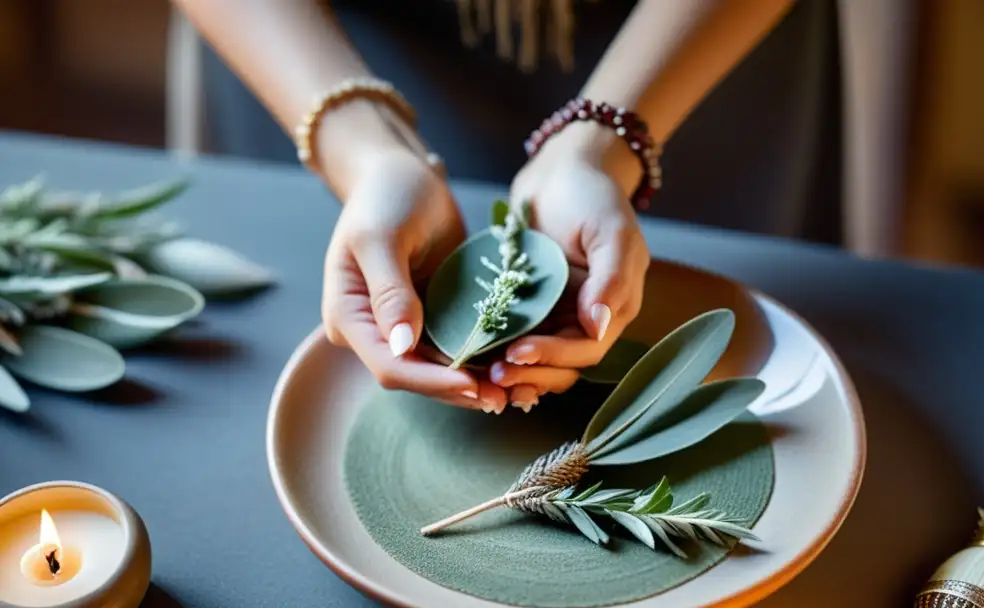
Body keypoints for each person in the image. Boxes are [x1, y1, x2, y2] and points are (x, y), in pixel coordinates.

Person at [174, 0, 840, 414]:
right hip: (307, 43)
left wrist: (604, 146)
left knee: (711, 348)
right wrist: (366, 156)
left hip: (686, 46)